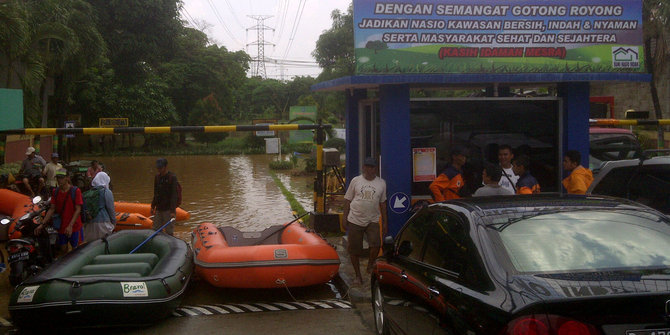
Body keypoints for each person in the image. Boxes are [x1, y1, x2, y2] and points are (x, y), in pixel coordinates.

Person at [343, 157, 387, 286]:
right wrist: (344, 218)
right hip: (355, 219)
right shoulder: (355, 181)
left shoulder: (381, 183)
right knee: (354, 250)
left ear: (376, 169)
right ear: (363, 168)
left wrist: (385, 222)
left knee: (376, 245)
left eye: (372, 167)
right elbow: (347, 199)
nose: (369, 169)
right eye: (367, 166)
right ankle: (358, 276)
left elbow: (383, 203)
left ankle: (369, 265)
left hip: (373, 219)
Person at [37, 169, 84, 254]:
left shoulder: (75, 191)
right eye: (58, 178)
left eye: (61, 178)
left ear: (67, 178)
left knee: (76, 251)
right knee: (63, 251)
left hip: (75, 226)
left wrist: (70, 226)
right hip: (61, 227)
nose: (59, 180)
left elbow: (78, 210)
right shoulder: (55, 192)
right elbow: (52, 209)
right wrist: (42, 224)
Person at [84, 172, 116, 242]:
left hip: (89, 224)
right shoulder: (106, 192)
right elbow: (111, 209)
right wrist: (113, 223)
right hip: (103, 223)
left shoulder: (89, 193)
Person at [151, 158, 178, 236]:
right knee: (156, 229)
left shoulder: (172, 177)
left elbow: (174, 195)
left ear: (165, 167)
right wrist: (153, 206)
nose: (159, 169)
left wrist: (172, 211)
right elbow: (155, 193)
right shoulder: (157, 177)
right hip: (159, 208)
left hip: (168, 209)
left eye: (160, 168)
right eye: (158, 168)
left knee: (169, 231)